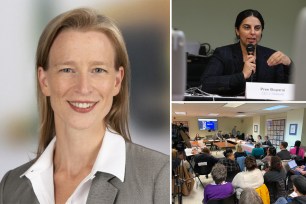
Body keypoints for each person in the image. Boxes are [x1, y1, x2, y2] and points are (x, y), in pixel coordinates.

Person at [0, 8, 169, 203]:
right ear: (44, 80)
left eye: (98, 70)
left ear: (116, 82)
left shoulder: (157, 177)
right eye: (67, 69)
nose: (83, 87)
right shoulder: (10, 187)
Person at [201, 9, 292, 96]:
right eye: (247, 27)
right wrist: (242, 75)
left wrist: (289, 64)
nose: (253, 32)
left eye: (257, 28)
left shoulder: (272, 56)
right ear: (237, 31)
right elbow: (206, 83)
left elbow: (287, 90)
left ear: (261, 31)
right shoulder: (223, 53)